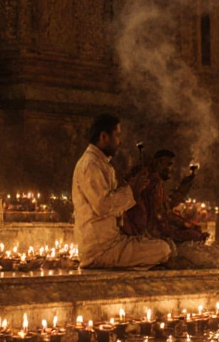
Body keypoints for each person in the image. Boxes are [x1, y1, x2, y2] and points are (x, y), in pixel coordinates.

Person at [71, 115, 172, 269]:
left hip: (113, 242)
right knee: (163, 250)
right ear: (104, 136)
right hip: (101, 250)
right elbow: (103, 206)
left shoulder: (102, 164)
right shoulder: (91, 165)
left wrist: (134, 190)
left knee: (163, 245)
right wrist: (132, 189)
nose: (120, 141)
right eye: (117, 135)